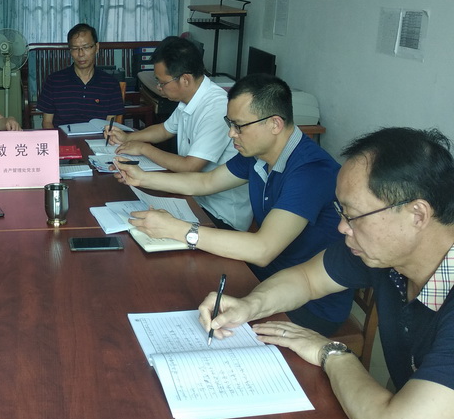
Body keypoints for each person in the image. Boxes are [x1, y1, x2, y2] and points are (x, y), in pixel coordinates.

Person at [199, 127, 454, 419]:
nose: (342, 227)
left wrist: (333, 352)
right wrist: (250, 305)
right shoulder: (385, 253)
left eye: (354, 215)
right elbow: (307, 279)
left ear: (417, 214)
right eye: (341, 212)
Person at [115, 73, 351, 334]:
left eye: (239, 126)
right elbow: (206, 182)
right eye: (230, 123)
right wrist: (142, 178)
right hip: (262, 279)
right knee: (168, 290)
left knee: (189, 317)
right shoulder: (258, 153)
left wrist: (177, 230)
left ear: (274, 124)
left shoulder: (311, 171)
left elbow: (263, 249)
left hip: (308, 303)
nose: (231, 134)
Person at [104, 36, 252, 231]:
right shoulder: (189, 98)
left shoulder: (216, 107)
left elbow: (190, 166)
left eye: (162, 82)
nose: (159, 87)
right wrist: (128, 137)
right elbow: (164, 129)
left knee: (141, 227)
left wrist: (144, 149)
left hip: (219, 214)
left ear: (185, 79)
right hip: (191, 195)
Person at [36, 23, 124, 128]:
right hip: (63, 138)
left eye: (86, 47)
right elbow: (47, 122)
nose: (81, 54)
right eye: (75, 48)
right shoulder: (54, 81)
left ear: (96, 48)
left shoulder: (110, 84)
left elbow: (110, 124)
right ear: (70, 50)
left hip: (98, 138)